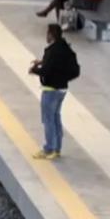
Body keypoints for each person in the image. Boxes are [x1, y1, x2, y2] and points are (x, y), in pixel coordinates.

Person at [29, 24, 79, 160]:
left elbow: (46, 70)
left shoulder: (51, 51)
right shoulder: (65, 48)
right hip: (62, 89)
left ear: (51, 34)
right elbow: (60, 65)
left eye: (47, 33)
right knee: (56, 117)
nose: (46, 36)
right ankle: (57, 149)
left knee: (48, 120)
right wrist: (43, 62)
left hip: (51, 90)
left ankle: (48, 148)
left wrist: (34, 70)